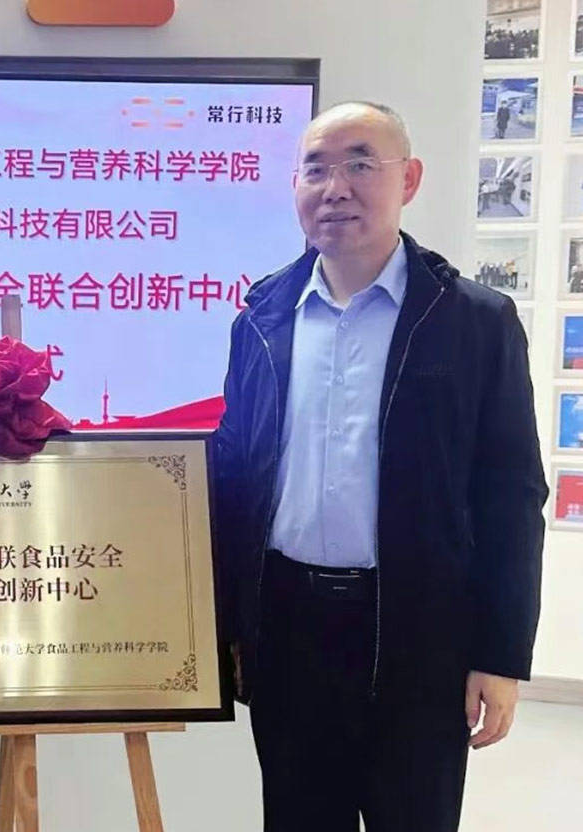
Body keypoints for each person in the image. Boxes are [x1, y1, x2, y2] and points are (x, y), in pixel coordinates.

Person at [214, 101, 546, 831]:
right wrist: (231, 624)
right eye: (316, 169)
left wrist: (500, 654)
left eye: (361, 163)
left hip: (421, 631)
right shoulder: (261, 318)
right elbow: (235, 476)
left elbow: (512, 494)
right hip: (289, 627)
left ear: (409, 179)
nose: (336, 188)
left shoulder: (472, 321)